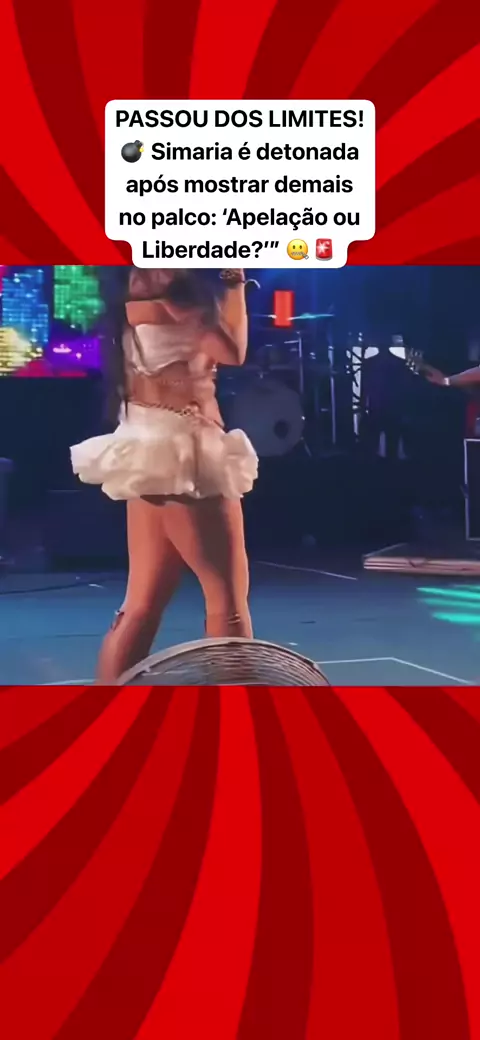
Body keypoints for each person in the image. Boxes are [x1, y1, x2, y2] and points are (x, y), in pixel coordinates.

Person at [70, 267, 258, 682]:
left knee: (141, 604)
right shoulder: (177, 302)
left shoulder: (130, 305)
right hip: (185, 453)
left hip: (147, 447)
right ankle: (238, 710)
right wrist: (235, 285)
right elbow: (233, 350)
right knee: (226, 602)